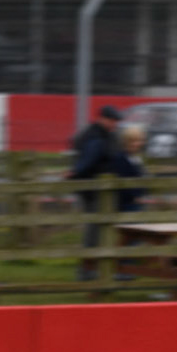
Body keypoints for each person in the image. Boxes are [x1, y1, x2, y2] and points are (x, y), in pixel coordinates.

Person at [67, 105, 141, 281]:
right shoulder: (96, 137)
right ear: (103, 118)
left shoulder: (103, 135)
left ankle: (98, 268)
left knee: (100, 230)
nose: (114, 124)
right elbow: (88, 159)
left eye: (116, 121)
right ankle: (87, 270)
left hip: (101, 190)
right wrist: (76, 171)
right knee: (95, 231)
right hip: (94, 190)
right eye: (112, 120)